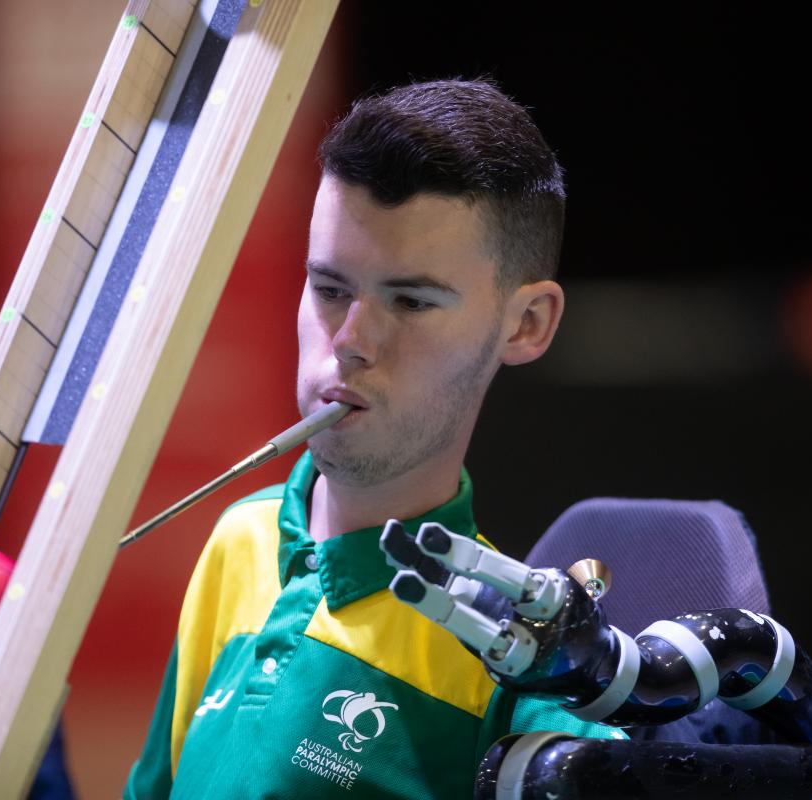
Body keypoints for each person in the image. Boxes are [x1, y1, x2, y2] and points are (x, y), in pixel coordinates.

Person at [123, 78, 627, 800]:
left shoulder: (513, 655)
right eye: (330, 289)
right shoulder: (240, 538)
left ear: (527, 325)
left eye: (411, 301)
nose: (350, 343)